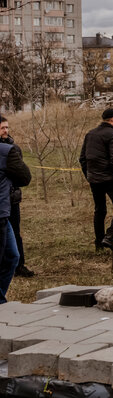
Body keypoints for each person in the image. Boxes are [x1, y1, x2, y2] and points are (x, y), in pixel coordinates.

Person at [80, 108, 113, 255]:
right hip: (111, 180)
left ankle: (99, 243)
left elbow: (82, 158)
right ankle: (110, 236)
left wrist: (89, 175)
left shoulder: (90, 134)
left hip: (95, 180)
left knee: (99, 210)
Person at [0, 121, 31, 303]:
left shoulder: (11, 147)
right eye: (2, 127)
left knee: (12, 255)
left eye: (7, 127)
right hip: (2, 209)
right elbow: (24, 176)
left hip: (8, 206)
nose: (6, 131)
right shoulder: (7, 151)